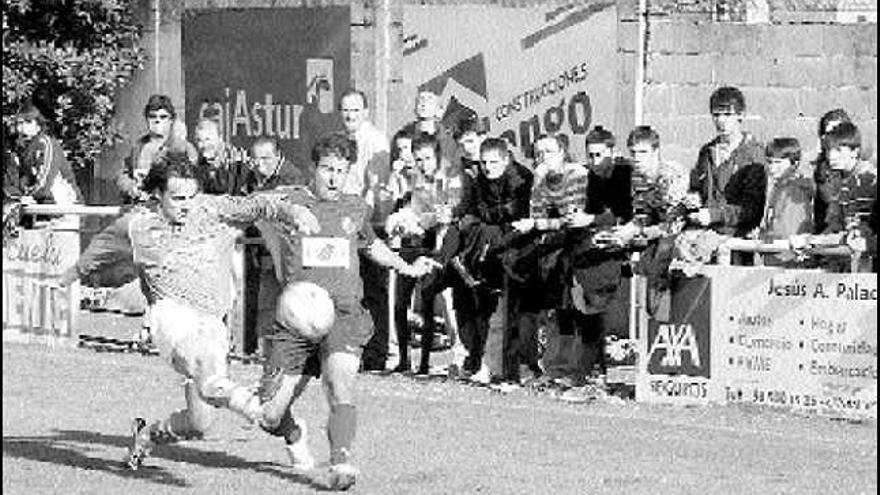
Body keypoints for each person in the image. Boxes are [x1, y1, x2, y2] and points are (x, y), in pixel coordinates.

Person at [57, 152, 319, 471]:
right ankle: (255, 409)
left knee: (199, 423)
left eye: (191, 196)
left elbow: (259, 204)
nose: (186, 204)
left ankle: (147, 435)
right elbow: (99, 250)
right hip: (169, 319)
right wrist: (67, 278)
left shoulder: (214, 209)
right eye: (178, 198)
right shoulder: (137, 226)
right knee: (209, 375)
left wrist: (293, 211)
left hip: (212, 323)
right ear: (158, 194)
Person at [250, 132, 437, 489]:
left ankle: (341, 461)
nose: (333, 177)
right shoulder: (290, 202)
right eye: (326, 169)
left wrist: (405, 266)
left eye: (340, 170)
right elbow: (251, 207)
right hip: (295, 322)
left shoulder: (354, 208)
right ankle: (293, 432)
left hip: (343, 315)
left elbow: (371, 245)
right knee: (269, 414)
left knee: (340, 385)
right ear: (312, 169)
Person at [508, 133, 592, 384]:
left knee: (568, 306)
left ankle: (574, 367)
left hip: (578, 243)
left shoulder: (576, 175)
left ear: (563, 152)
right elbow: (538, 213)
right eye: (539, 154)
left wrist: (540, 223)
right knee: (537, 300)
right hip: (550, 245)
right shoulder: (541, 177)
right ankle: (541, 364)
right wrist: (540, 218)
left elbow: (571, 219)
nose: (544, 158)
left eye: (549, 152)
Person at [448, 137, 532, 383]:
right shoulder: (479, 179)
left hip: (518, 252)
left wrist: (487, 225)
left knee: (515, 315)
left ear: (506, 160)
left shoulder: (520, 179)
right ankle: (484, 362)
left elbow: (514, 216)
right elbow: (474, 211)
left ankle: (516, 368)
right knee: (483, 308)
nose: (488, 168)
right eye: (484, 163)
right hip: (490, 252)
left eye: (494, 163)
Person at [384, 134, 461, 374]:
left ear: (437, 157)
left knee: (436, 302)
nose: (423, 163)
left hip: (437, 247)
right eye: (419, 159)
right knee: (400, 302)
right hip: (411, 244)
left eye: (428, 158)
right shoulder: (407, 178)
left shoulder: (449, 178)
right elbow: (398, 211)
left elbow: (447, 215)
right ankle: (404, 359)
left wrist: (422, 219)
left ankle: (436, 360)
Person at [337, 89, 394, 371]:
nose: (350, 115)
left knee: (374, 291)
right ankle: (352, 349)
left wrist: (362, 223)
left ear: (366, 112)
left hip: (370, 225)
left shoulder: (376, 141)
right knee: (348, 291)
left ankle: (377, 353)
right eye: (346, 110)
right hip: (345, 224)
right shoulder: (339, 141)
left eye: (355, 110)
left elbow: (376, 188)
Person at [688, 86, 767, 240]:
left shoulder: (754, 155)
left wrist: (715, 215)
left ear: (740, 116)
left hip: (738, 235)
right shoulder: (707, 152)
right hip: (705, 231)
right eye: (716, 115)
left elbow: (752, 210)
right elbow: (697, 188)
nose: (721, 121)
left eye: (727, 115)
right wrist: (693, 199)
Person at [809, 122, 877, 272]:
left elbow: (863, 230)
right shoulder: (841, 181)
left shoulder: (867, 180)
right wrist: (811, 241)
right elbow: (836, 224)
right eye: (828, 150)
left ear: (855, 151)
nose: (831, 156)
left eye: (838, 150)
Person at [117, 94, 197, 203]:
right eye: (152, 116)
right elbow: (123, 175)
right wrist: (131, 188)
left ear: (171, 120)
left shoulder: (185, 148)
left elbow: (193, 180)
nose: (157, 120)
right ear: (146, 118)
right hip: (140, 207)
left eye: (163, 117)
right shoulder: (138, 147)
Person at [13, 99, 82, 213]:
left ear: (38, 125)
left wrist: (31, 196)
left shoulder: (46, 143)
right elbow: (23, 179)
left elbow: (46, 178)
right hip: (41, 209)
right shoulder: (23, 149)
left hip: (63, 206)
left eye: (28, 122)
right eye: (19, 123)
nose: (22, 128)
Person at [757, 138, 814, 265]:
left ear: (794, 163)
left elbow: (788, 230)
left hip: (787, 259)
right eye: (770, 162)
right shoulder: (779, 187)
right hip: (778, 255)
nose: (772, 168)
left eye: (778, 163)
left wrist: (763, 236)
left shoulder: (793, 191)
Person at [400, 90, 459, 166]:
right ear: (414, 108)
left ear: (439, 111)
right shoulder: (405, 136)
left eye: (429, 101)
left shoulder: (447, 141)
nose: (424, 104)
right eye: (421, 100)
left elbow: (452, 168)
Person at [192, 118, 249, 196]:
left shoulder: (239, 162)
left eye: (208, 139)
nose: (204, 145)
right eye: (199, 140)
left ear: (220, 137)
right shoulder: (198, 164)